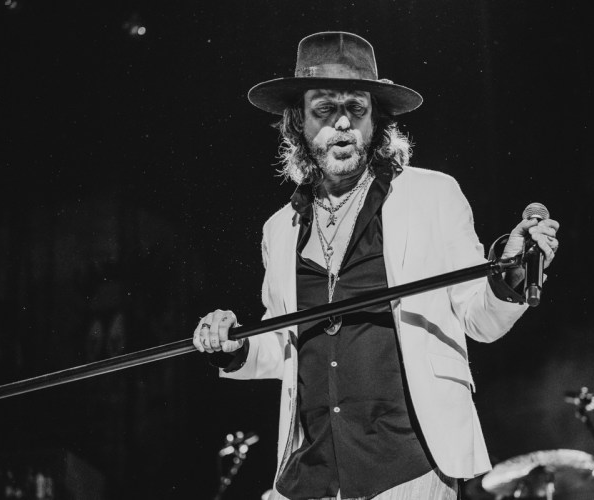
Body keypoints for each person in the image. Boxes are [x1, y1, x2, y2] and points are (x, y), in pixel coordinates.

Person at [193, 32, 559, 500]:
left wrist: (510, 273)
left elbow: (478, 319)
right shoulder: (279, 229)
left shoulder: (432, 195)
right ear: (298, 121)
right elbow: (284, 342)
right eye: (325, 109)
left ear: (376, 119)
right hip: (311, 474)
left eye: (356, 109)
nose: (343, 122)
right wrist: (234, 344)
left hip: (408, 466)